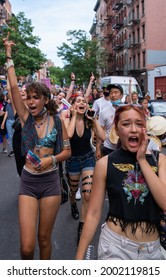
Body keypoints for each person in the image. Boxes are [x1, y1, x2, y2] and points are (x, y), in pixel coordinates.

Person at [3, 34, 71, 260]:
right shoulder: (25, 118)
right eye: (28, 98)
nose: (30, 102)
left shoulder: (57, 121)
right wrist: (9, 55)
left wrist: (50, 160)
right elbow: (13, 87)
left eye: (35, 98)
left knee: (44, 239)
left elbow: (66, 152)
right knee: (26, 246)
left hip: (50, 182)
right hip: (29, 182)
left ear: (45, 99)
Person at [76, 104, 166, 260]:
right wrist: (79, 256)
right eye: (126, 124)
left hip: (152, 251)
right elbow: (93, 213)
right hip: (115, 247)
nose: (133, 129)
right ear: (117, 130)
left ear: (145, 129)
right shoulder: (105, 163)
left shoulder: (160, 161)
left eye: (139, 124)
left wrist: (143, 160)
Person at [62, 95, 105, 244]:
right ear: (73, 105)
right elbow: (68, 135)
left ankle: (82, 225)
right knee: (73, 192)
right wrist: (74, 115)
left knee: (87, 194)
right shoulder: (67, 118)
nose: (82, 103)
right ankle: (73, 203)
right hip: (72, 161)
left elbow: (103, 136)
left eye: (84, 101)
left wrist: (94, 120)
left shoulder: (89, 120)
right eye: (78, 101)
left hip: (88, 159)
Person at [96, 83, 123, 159]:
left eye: (116, 92)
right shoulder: (104, 112)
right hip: (108, 148)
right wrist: (98, 148)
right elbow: (100, 130)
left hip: (124, 147)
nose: (113, 95)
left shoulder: (127, 110)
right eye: (111, 93)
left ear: (121, 95)